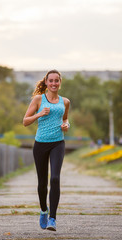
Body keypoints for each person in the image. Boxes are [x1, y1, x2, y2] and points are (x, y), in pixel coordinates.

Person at [23, 69, 70, 231]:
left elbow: (65, 119)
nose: (54, 83)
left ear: (60, 82)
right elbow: (25, 121)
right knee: (42, 183)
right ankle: (44, 210)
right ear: (46, 82)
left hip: (58, 143)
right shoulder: (38, 99)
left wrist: (66, 125)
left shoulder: (65, 102)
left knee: (55, 178)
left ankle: (53, 219)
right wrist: (39, 114)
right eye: (51, 80)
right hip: (40, 144)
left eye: (56, 80)